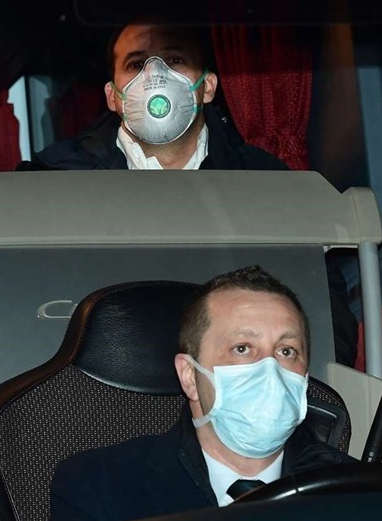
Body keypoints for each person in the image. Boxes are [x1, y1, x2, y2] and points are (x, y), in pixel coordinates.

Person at [18, 20, 358, 368]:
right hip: (99, 382)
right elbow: (20, 305)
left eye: (174, 60)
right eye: (136, 64)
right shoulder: (55, 183)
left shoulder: (268, 186)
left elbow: (323, 313)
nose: (155, 77)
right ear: (112, 96)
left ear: (207, 87)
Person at [47, 265, 355, 521]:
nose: (269, 369)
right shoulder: (100, 486)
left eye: (286, 351)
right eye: (242, 348)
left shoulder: (356, 491)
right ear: (190, 376)